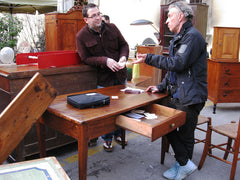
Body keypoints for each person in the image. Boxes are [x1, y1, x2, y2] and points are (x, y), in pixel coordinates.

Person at [132, 1, 208, 179]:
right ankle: (184, 163)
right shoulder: (179, 38)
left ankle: (183, 166)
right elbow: (175, 70)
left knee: (185, 134)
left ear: (181, 16)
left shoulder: (192, 37)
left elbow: (177, 63)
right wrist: (161, 86)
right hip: (178, 94)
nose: (166, 21)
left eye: (170, 16)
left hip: (191, 96)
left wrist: (149, 58)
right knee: (167, 127)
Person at [76, 3, 129, 152]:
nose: (98, 18)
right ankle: (107, 139)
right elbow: (85, 58)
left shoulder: (112, 27)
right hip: (103, 79)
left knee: (120, 107)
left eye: (99, 14)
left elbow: (124, 45)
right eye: (94, 16)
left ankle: (119, 133)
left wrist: (123, 58)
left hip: (120, 75)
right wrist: (104, 61)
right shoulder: (81, 36)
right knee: (106, 110)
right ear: (86, 19)